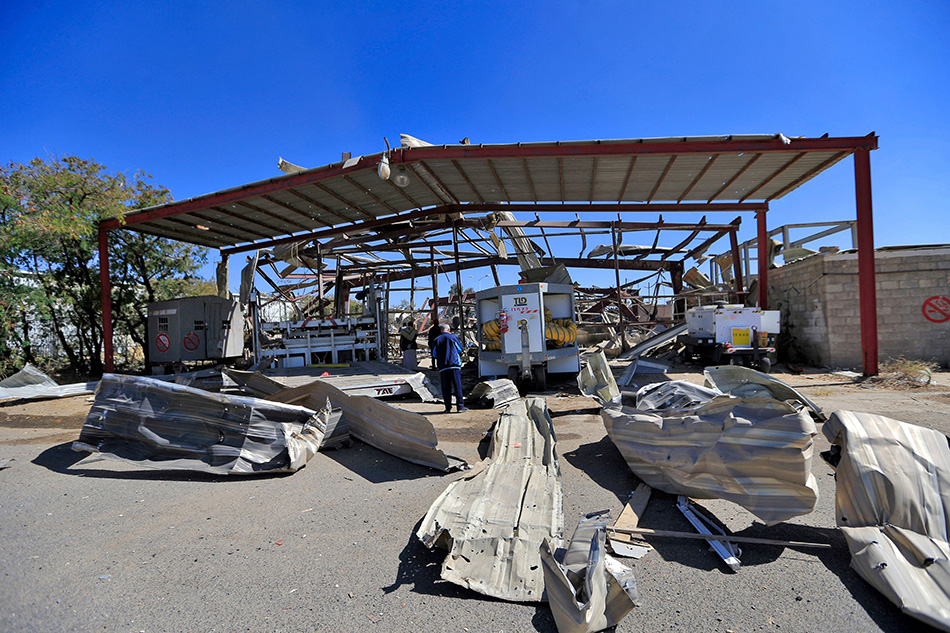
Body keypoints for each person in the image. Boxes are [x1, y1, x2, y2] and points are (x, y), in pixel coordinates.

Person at [432, 324, 467, 413]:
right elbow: (459, 349)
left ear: (441, 330)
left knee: (446, 387)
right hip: (454, 364)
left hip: (443, 366)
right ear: (448, 330)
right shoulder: (453, 337)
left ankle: (448, 408)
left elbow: (434, 354)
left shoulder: (436, 340)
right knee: (457, 386)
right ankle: (460, 407)